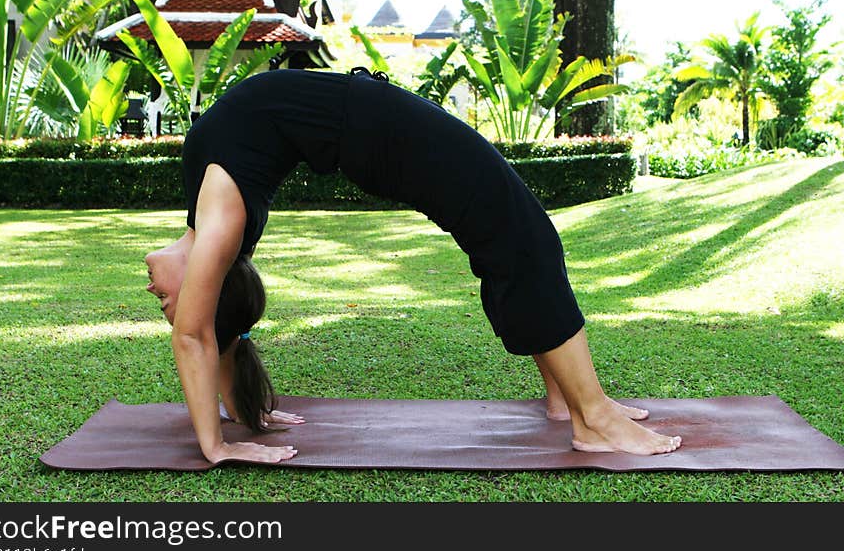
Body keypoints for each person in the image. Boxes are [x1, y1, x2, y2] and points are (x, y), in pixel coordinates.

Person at [144, 67, 682, 465]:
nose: (159, 298)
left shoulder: (213, 216)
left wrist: (242, 410)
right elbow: (200, 333)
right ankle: (592, 419)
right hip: (378, 132)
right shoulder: (221, 223)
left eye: (168, 302)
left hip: (375, 125)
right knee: (521, 238)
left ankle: (569, 401)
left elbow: (215, 328)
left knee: (523, 237)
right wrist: (216, 448)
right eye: (168, 303)